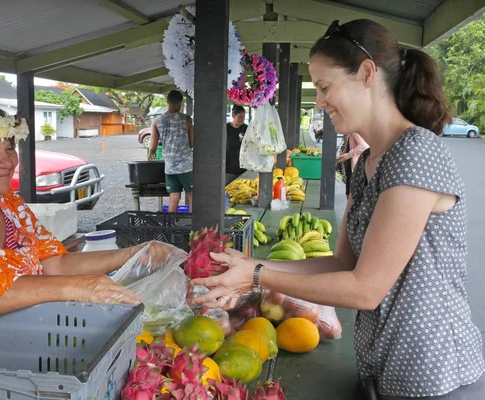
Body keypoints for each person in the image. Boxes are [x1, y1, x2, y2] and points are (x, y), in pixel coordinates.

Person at [192, 19, 484, 399]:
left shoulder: (415, 153)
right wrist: (245, 267)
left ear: (366, 73)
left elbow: (365, 290)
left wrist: (258, 275)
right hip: (385, 364)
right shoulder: (368, 163)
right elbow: (341, 263)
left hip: (432, 372)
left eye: (326, 87)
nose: (322, 100)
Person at [0, 102, 176, 320]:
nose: (7, 161)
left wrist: (132, 254)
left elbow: (54, 262)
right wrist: (74, 287)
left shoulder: (10, 206)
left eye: (9, 148)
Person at [148, 90, 193, 213]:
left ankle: (171, 227)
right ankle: (194, 227)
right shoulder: (186, 119)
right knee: (192, 195)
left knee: (174, 197)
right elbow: (191, 143)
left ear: (168, 102)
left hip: (170, 166)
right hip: (186, 166)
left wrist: (151, 152)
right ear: (179, 104)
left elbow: (153, 144)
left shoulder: (157, 121)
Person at [336, 132, 369, 196]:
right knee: (349, 191)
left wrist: (348, 155)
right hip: (350, 167)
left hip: (355, 168)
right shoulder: (349, 133)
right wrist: (342, 154)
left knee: (352, 192)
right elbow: (348, 149)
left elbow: (364, 146)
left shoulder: (354, 132)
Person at [225, 105, 248, 185]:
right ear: (233, 116)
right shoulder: (226, 128)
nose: (242, 119)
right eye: (240, 117)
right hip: (228, 169)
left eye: (244, 117)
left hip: (243, 168)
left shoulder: (246, 128)